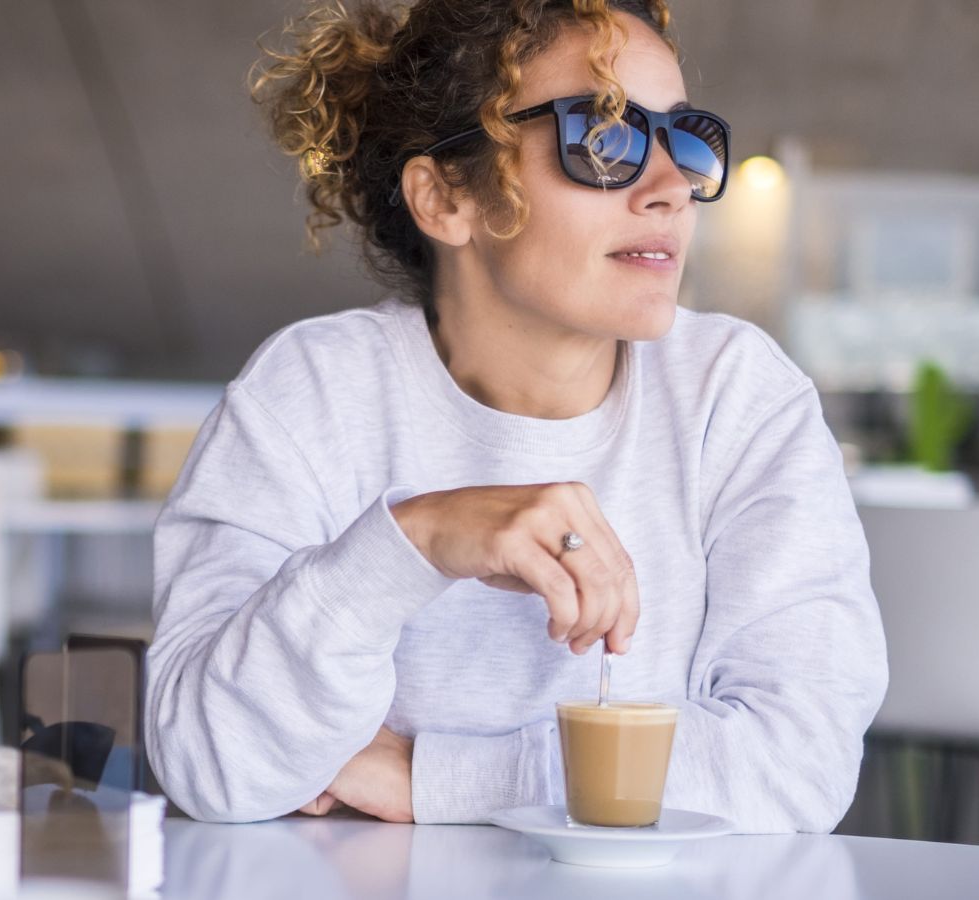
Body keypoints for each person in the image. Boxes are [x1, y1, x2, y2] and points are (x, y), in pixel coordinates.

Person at [146, 0, 887, 831]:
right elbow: (207, 761)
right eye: (603, 139)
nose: (672, 188)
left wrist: (431, 779)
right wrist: (416, 540)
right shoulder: (311, 393)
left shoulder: (738, 398)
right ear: (444, 198)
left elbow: (801, 761)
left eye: (683, 139)